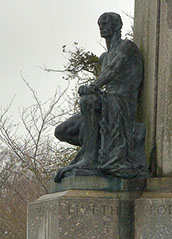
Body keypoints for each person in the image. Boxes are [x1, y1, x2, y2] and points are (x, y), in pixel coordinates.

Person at [54, 12, 148, 182]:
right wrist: (94, 88)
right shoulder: (104, 57)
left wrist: (93, 87)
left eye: (105, 24)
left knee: (88, 101)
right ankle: (94, 149)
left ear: (117, 26)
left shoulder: (127, 47)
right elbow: (106, 73)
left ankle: (90, 159)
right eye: (100, 24)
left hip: (122, 103)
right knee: (61, 131)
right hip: (108, 101)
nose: (102, 27)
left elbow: (113, 70)